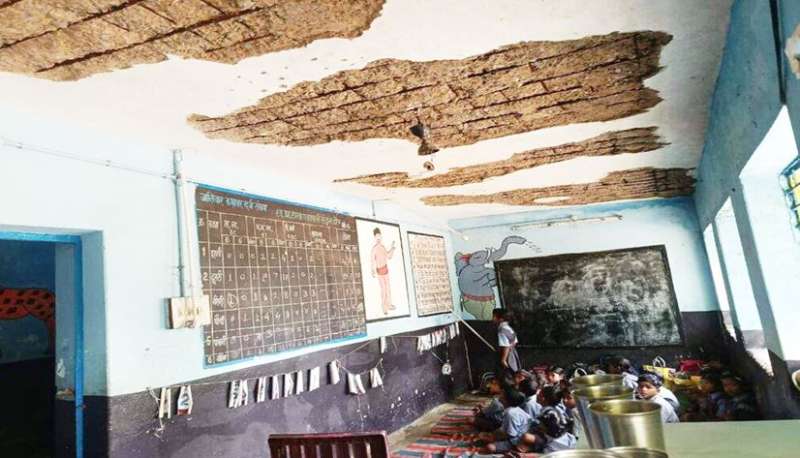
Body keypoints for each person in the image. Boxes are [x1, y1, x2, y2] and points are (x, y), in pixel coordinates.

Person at [485, 388, 534, 453]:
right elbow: (503, 429)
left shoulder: (510, 413)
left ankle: (514, 450)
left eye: (502, 395)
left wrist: (493, 438)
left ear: (505, 400)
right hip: (517, 436)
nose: (500, 395)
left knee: (490, 447)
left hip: (517, 441)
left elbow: (511, 435)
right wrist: (492, 434)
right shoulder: (513, 409)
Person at [370, 227, 396, 315]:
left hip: (386, 270)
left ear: (381, 237)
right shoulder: (374, 249)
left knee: (388, 288)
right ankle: (384, 308)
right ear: (374, 238)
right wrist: (372, 270)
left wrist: (392, 249)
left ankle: (389, 305)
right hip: (380, 272)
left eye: (379, 236)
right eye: (376, 237)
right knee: (383, 289)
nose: (378, 238)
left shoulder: (383, 247)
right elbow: (372, 261)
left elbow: (389, 256)